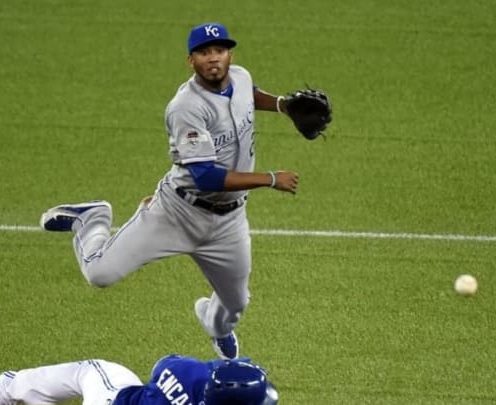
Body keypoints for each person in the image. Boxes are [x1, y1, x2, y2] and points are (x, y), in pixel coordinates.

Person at [40, 22, 301, 360]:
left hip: (229, 223)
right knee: (100, 274)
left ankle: (215, 326)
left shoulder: (240, 76)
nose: (213, 59)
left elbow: (247, 95)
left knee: (235, 305)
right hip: (177, 213)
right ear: (190, 60)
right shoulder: (186, 107)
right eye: (204, 53)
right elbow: (206, 176)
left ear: (229, 54)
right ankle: (92, 219)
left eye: (219, 51)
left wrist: (282, 105)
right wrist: (270, 179)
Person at [0, 354, 279, 405]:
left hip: (111, 398)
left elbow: (163, 365)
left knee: (90, 370)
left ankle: (2, 392)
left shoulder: (188, 372)